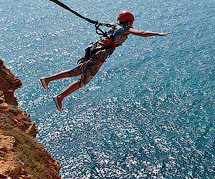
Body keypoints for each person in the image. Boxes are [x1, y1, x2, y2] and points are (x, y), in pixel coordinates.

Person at [39, 11, 169, 112]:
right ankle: (60, 97)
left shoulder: (115, 25)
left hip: (93, 48)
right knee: (82, 80)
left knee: (74, 71)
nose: (132, 24)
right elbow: (142, 33)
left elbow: (110, 26)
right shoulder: (125, 29)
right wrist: (158, 34)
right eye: (131, 22)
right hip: (100, 55)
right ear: (129, 21)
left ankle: (47, 79)